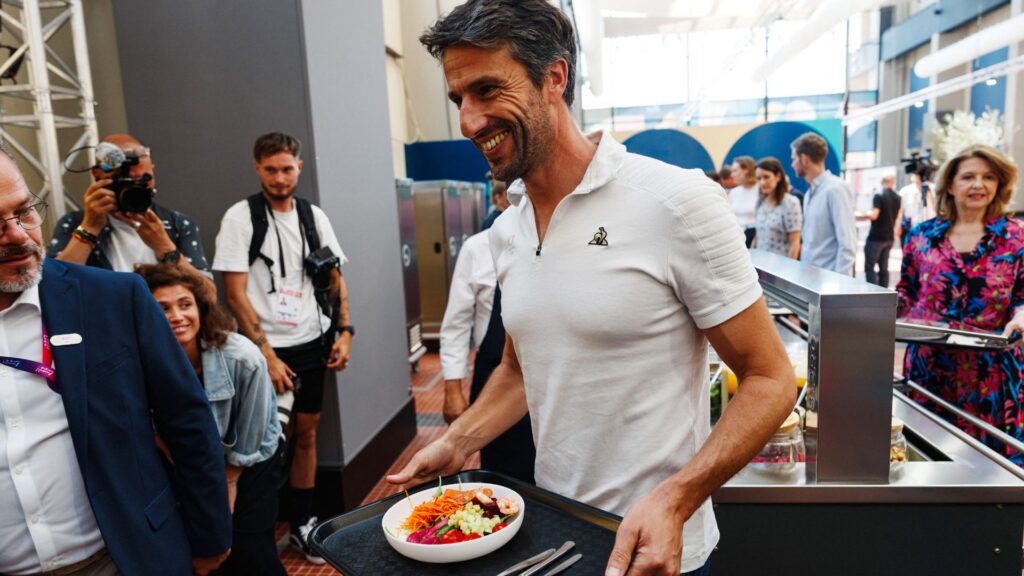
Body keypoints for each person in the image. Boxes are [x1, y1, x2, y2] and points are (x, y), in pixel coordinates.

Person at [387, 3, 796, 576]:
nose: (470, 121)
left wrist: (677, 499)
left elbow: (770, 377)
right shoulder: (510, 228)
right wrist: (459, 441)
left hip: (655, 550)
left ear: (554, 77)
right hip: (552, 533)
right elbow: (519, 368)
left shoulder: (674, 202)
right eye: (459, 100)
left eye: (486, 90)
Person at [0, 145, 231, 575]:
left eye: (25, 211)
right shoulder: (76, 226)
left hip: (124, 558)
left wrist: (210, 538)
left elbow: (187, 421)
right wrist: (89, 226)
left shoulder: (117, 295)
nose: (18, 234)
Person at [213, 132, 351, 565]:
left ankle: (303, 523)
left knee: (306, 434)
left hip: (311, 344)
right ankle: (254, 532)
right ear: (257, 168)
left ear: (299, 168)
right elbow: (233, 293)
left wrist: (346, 331)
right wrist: (266, 357)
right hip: (262, 352)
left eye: (286, 169)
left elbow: (335, 277)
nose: (278, 178)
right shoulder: (241, 218)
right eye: (270, 169)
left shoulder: (313, 217)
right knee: (267, 441)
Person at [137, 264, 286, 576]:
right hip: (186, 463)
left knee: (248, 549)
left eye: (185, 305)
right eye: (162, 308)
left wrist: (228, 483)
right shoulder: (138, 361)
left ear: (200, 308)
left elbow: (252, 434)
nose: (177, 316)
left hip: (250, 460)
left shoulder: (242, 357)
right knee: (201, 549)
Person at [897, 145, 1024, 466]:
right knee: (927, 458)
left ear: (999, 185)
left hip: (993, 372)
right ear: (950, 186)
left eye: (988, 177)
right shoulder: (921, 236)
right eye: (968, 177)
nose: (978, 185)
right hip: (930, 369)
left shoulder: (1015, 239)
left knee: (990, 467)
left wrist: (1021, 317)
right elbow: (906, 294)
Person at [47, 133, 212, 283]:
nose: (133, 188)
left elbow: (209, 296)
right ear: (97, 176)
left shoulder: (176, 223)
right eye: (122, 182)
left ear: (152, 172)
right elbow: (54, 286)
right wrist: (89, 228)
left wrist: (165, 248)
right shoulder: (74, 223)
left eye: (142, 180)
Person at [791, 132, 856, 275]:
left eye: (794, 159)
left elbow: (847, 244)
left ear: (804, 159)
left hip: (830, 282)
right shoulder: (809, 193)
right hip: (811, 280)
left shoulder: (835, 189)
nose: (792, 165)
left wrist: (840, 286)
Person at [752, 157, 801, 259]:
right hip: (761, 265)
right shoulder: (759, 203)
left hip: (780, 267)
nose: (762, 183)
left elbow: (795, 242)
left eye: (766, 177)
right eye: (759, 178)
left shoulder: (791, 203)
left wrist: (789, 269)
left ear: (778, 176)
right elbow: (757, 236)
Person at [857, 175, 901, 287]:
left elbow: (874, 215)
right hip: (889, 237)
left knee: (869, 267)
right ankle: (885, 296)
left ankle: (873, 295)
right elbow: (899, 217)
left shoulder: (878, 195)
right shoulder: (897, 197)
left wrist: (859, 216)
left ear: (882, 182)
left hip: (876, 237)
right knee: (884, 268)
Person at [895, 172, 933, 247]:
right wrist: (897, 226)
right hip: (909, 227)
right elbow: (900, 210)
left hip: (927, 228)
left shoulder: (931, 189)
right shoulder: (906, 190)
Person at [728, 156, 759, 248]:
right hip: (735, 239)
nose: (732, 175)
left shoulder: (760, 190)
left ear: (746, 170)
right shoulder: (734, 192)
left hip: (753, 238)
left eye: (735, 171)